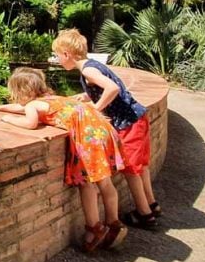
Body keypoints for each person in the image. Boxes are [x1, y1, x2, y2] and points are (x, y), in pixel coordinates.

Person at [0, 67, 127, 253]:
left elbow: (30, 123)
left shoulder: (33, 105)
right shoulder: (53, 99)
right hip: (102, 131)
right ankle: (114, 222)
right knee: (105, 183)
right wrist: (1, 107)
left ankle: (94, 229)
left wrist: (7, 119)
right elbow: (23, 108)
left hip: (88, 140)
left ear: (19, 91)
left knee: (87, 183)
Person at [52, 28, 162, 229]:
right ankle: (151, 205)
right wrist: (86, 96)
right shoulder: (92, 66)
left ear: (67, 54)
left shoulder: (88, 70)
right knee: (140, 166)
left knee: (130, 169)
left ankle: (145, 215)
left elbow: (113, 88)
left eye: (57, 55)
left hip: (127, 122)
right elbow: (104, 88)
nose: (57, 59)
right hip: (137, 117)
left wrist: (95, 108)